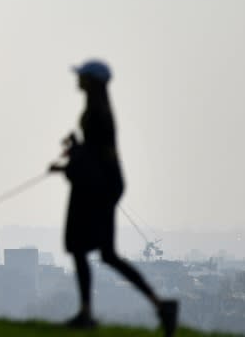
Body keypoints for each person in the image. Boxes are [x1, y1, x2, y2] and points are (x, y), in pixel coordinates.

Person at [49, 59, 177, 335]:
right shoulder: (98, 110)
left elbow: (94, 157)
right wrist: (75, 151)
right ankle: (158, 305)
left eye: (82, 76)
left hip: (94, 190)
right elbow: (95, 152)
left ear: (92, 82)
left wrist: (69, 165)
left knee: (84, 250)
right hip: (101, 188)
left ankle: (88, 313)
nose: (78, 80)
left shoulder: (96, 113)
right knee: (103, 254)